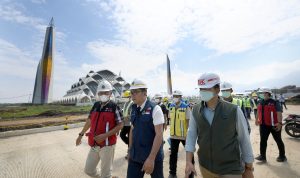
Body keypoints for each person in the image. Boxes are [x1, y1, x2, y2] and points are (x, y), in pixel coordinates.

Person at [185, 73, 254, 178]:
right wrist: (188, 161)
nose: (203, 92)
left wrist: (248, 167)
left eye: (207, 89)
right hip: (206, 167)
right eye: (201, 89)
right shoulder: (195, 110)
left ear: (217, 89)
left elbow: (244, 139)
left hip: (230, 169)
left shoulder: (233, 110)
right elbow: (191, 135)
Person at [76, 80, 123, 178]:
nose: (103, 94)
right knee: (89, 170)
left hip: (107, 146)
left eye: (106, 92)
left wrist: (105, 135)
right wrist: (80, 135)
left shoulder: (114, 107)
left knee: (106, 174)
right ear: (98, 93)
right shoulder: (96, 105)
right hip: (94, 144)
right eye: (101, 93)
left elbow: (120, 125)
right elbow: (89, 121)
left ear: (110, 93)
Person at [127, 79, 164, 178]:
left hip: (153, 156)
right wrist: (130, 149)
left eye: (136, 92)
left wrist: (151, 158)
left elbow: (159, 134)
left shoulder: (155, 109)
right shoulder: (134, 108)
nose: (132, 95)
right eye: (131, 92)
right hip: (135, 157)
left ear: (145, 93)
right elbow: (132, 129)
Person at [255, 88, 287, 162]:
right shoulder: (260, 102)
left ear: (267, 93)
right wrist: (257, 120)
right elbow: (258, 111)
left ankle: (282, 156)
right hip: (263, 125)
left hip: (274, 125)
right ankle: (262, 156)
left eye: (262, 93)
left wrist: (279, 123)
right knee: (263, 140)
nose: (261, 94)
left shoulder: (275, 102)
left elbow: (279, 112)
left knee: (278, 140)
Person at [168, 90, 194, 178]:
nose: (175, 97)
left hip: (184, 136)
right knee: (173, 155)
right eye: (174, 96)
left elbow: (189, 121)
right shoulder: (171, 106)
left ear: (180, 97)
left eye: (177, 96)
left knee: (190, 155)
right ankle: (172, 173)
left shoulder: (185, 107)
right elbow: (171, 120)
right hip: (173, 136)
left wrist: (190, 135)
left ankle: (190, 175)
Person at [120, 90, 133, 159]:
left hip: (130, 124)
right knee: (122, 135)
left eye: (126, 97)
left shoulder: (132, 104)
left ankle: (129, 153)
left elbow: (132, 115)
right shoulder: (125, 104)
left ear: (130, 97)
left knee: (130, 137)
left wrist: (127, 117)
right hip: (125, 124)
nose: (125, 98)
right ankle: (132, 145)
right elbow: (123, 113)